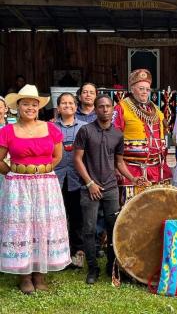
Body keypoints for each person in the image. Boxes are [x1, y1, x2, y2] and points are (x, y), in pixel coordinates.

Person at [0, 85, 70, 294]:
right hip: (18, 185)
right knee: (22, 226)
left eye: (34, 104)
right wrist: (13, 173)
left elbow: (57, 156)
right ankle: (24, 275)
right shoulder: (8, 131)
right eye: (25, 104)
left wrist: (42, 171)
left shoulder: (51, 128)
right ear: (17, 107)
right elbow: (0, 158)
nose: (30, 108)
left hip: (45, 184)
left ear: (38, 107)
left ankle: (39, 273)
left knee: (43, 224)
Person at [74, 94, 145, 284]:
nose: (105, 109)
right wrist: (89, 183)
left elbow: (119, 163)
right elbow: (77, 160)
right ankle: (93, 269)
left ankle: (111, 266)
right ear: (95, 109)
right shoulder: (85, 131)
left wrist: (133, 178)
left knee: (113, 228)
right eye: (101, 106)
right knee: (89, 229)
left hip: (111, 188)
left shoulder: (118, 134)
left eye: (108, 106)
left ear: (113, 109)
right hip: (89, 187)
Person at [113, 69, 172, 203]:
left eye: (147, 89)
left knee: (156, 208)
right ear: (132, 89)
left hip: (156, 169)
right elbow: (113, 138)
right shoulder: (121, 107)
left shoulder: (155, 110)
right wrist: (115, 167)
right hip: (131, 168)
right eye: (141, 88)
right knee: (133, 211)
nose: (145, 92)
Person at [54, 92, 87, 268]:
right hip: (55, 179)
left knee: (77, 217)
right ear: (58, 107)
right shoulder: (50, 128)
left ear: (76, 106)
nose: (68, 106)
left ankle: (78, 253)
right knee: (57, 217)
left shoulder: (85, 127)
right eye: (63, 103)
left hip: (77, 178)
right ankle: (58, 254)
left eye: (71, 103)